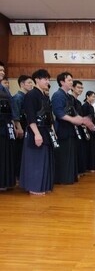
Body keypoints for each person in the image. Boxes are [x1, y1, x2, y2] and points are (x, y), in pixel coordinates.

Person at [51, 72, 93, 184]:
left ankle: (68, 177)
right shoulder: (57, 95)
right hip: (62, 129)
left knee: (70, 154)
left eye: (71, 80)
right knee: (63, 155)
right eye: (69, 80)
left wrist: (83, 120)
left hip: (70, 129)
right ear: (62, 82)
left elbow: (73, 112)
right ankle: (61, 178)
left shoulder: (68, 97)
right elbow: (58, 112)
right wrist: (73, 120)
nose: (71, 82)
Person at [19, 69, 54, 195]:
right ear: (37, 80)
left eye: (48, 79)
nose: (47, 81)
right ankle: (34, 186)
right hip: (36, 130)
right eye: (45, 79)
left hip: (45, 130)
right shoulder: (31, 95)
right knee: (36, 160)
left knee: (44, 158)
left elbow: (49, 115)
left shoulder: (44, 95)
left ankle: (42, 185)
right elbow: (31, 116)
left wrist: (52, 130)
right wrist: (37, 133)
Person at [12, 75, 34, 179]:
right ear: (22, 84)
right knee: (19, 151)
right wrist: (19, 128)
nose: (31, 85)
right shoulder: (17, 97)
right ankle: (17, 175)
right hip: (21, 126)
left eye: (32, 83)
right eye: (29, 82)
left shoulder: (27, 97)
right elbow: (15, 115)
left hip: (27, 126)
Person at [0, 62, 16, 190]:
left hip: (5, 125)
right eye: (0, 70)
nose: (2, 72)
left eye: (3, 70)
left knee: (4, 154)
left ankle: (4, 182)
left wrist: (15, 125)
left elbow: (12, 108)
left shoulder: (5, 89)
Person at [82, 91, 95, 172]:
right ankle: (89, 167)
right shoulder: (85, 106)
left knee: (92, 147)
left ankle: (92, 166)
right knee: (88, 147)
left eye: (94, 97)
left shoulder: (91, 106)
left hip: (92, 128)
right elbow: (85, 118)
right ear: (87, 96)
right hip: (88, 129)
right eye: (92, 96)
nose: (93, 98)